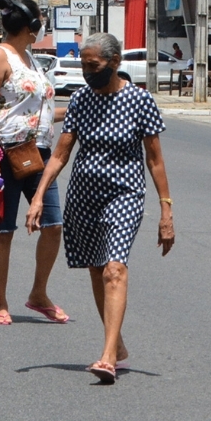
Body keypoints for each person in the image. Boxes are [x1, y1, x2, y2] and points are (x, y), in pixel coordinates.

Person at [28, 32, 175, 384]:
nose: (87, 71)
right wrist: (38, 196)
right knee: (96, 269)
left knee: (114, 269)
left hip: (125, 195)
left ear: (115, 62)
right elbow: (61, 153)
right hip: (83, 196)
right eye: (83, 65)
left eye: (92, 65)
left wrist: (166, 210)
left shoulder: (140, 101)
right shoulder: (81, 100)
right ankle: (118, 345)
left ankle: (108, 357)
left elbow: (154, 161)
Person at [0, 0, 68, 326]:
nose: (42, 24)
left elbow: (34, 110)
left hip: (38, 153)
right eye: (40, 19)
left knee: (54, 225)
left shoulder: (30, 58)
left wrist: (73, 112)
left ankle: (38, 293)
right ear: (30, 26)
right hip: (4, 152)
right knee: (4, 230)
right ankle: (1, 302)